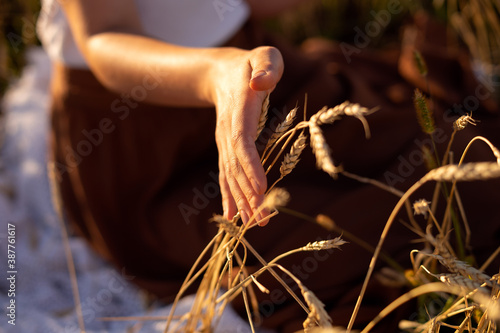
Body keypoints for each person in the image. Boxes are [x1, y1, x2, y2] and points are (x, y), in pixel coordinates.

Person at [38, 0, 500, 331]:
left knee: (449, 158)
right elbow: (103, 35)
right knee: (314, 251)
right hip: (149, 136)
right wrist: (217, 75)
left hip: (258, 77)